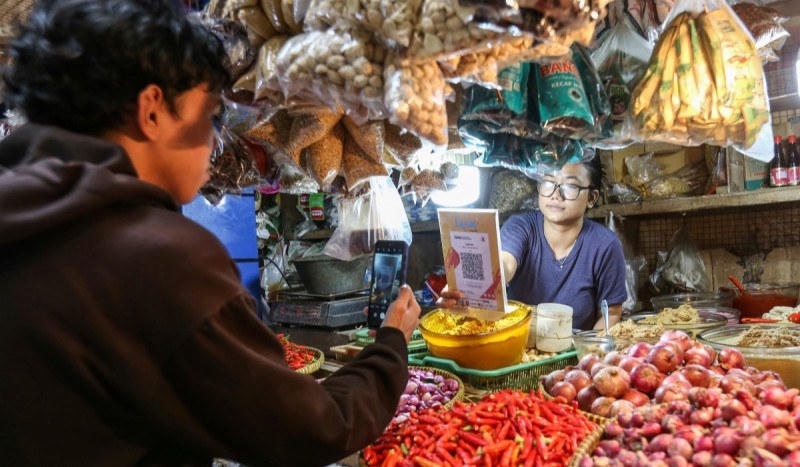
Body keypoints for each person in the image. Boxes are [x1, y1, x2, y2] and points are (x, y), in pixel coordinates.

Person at [0, 1, 420, 466]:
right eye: (211, 116)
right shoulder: (157, 256)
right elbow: (307, 430)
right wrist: (389, 346)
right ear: (153, 110)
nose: (214, 140)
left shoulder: (27, 218)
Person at [438, 154, 627, 331]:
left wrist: (587, 355)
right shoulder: (520, 226)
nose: (556, 195)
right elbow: (505, 264)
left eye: (570, 186)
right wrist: (466, 284)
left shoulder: (605, 245)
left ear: (592, 198)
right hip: (521, 350)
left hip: (575, 353)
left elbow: (610, 312)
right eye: (548, 182)